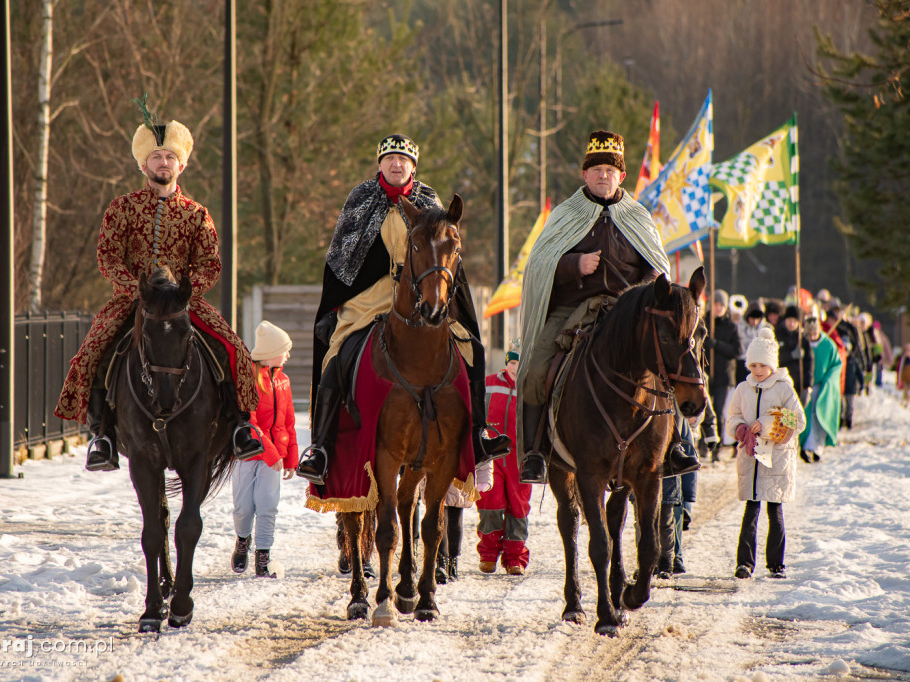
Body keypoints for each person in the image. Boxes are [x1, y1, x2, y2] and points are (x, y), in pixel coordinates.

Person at [54, 100, 262, 471]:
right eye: (156, 157)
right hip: (133, 300)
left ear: (181, 164)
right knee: (92, 351)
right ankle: (101, 434)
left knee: (235, 350)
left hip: (184, 302)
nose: (163, 163)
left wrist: (183, 293)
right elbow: (108, 258)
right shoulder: (121, 208)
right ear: (143, 164)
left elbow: (210, 264)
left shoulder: (198, 214)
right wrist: (137, 290)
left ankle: (238, 426)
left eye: (169, 157)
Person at [297, 134, 510, 485]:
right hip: (369, 297)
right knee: (335, 353)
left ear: (414, 165)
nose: (397, 164)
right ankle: (320, 447)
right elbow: (342, 258)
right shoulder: (361, 199)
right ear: (380, 164)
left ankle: (478, 433)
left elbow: (446, 254)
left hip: (424, 293)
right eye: (390, 158)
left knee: (473, 347)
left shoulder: (429, 201)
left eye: (404, 159)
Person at [515, 130, 697, 484]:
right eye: (596, 169)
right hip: (571, 311)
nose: (603, 175)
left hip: (627, 314)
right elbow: (538, 265)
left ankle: (675, 446)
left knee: (666, 361)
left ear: (621, 177)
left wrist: (649, 283)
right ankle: (535, 453)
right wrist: (574, 265)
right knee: (535, 369)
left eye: (610, 170)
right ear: (584, 174)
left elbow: (654, 268)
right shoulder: (565, 214)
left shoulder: (638, 217)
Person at [726, 328, 806, 580]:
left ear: (772, 364)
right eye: (753, 365)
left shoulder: (784, 389)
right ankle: (744, 563)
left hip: (776, 460)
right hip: (752, 459)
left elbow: (798, 420)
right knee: (750, 511)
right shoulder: (742, 388)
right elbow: (733, 416)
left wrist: (768, 424)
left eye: (763, 365)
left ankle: (776, 563)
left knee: (774, 511)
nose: (758, 370)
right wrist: (739, 428)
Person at [230, 321, 298, 579]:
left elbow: (288, 421)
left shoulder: (283, 380)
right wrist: (271, 454)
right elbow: (250, 421)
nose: (288, 355)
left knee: (268, 505)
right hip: (248, 454)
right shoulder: (249, 379)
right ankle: (242, 541)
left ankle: (263, 555)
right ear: (271, 351)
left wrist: (290, 457)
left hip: (275, 457)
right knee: (243, 507)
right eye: (285, 350)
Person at [476, 341, 532, 576]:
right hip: (493, 455)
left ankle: (514, 558)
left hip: (519, 458)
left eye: (519, 363)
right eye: (512, 362)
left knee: (518, 508)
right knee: (490, 503)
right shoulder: (489, 384)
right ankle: (488, 555)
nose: (515, 368)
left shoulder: (530, 388)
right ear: (506, 363)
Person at [799, 314, 843, 463]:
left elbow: (836, 365)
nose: (812, 337)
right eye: (809, 334)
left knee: (819, 416)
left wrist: (829, 381)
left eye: (814, 333)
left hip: (822, 386)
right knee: (806, 416)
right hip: (806, 386)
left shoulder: (828, 345)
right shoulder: (802, 343)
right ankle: (805, 446)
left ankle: (817, 448)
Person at [704, 289, 743, 452]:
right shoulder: (703, 322)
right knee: (703, 410)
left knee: (718, 411)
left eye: (721, 305)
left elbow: (737, 350)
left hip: (724, 376)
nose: (718, 308)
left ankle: (716, 448)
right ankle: (703, 445)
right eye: (715, 304)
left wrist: (717, 344)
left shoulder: (730, 326)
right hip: (706, 374)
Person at [775, 306, 813, 404]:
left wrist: (807, 386)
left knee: (793, 415)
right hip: (779, 383)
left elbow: (809, 363)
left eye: (795, 321)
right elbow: (774, 358)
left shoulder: (802, 340)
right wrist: (791, 355)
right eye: (789, 320)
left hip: (797, 384)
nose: (792, 324)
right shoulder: (777, 335)